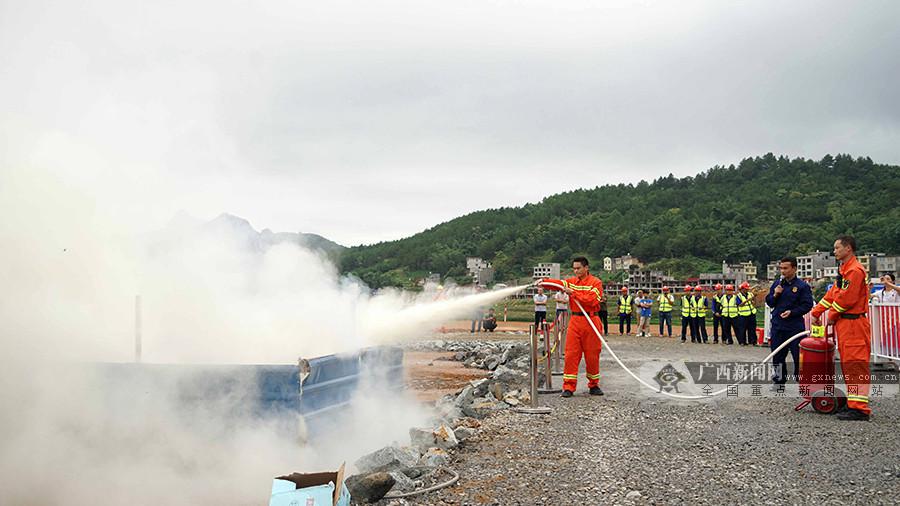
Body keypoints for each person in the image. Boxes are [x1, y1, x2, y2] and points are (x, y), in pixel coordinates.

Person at [811, 235, 873, 420]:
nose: (834, 251)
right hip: (846, 324)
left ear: (848, 249)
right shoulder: (844, 270)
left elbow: (848, 299)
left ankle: (860, 409)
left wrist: (831, 315)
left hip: (854, 323)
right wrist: (816, 312)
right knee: (848, 364)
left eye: (837, 248)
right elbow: (833, 295)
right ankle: (854, 403)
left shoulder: (855, 270)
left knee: (856, 365)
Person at [540, 257, 605, 398]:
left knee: (592, 354)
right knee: (571, 354)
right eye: (574, 268)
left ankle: (594, 385)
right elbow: (558, 284)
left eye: (578, 268)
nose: (575, 271)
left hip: (591, 320)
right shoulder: (571, 282)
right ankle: (568, 386)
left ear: (586, 268)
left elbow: (592, 300)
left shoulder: (596, 283)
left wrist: (573, 293)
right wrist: (544, 282)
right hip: (575, 320)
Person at [765, 256, 814, 388]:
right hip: (778, 326)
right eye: (781, 268)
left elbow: (807, 305)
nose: (783, 271)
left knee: (799, 356)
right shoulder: (777, 284)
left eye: (786, 268)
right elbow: (769, 302)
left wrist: (792, 312)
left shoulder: (802, 286)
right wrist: (775, 294)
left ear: (794, 268)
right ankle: (779, 381)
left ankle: (802, 381)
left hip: (794, 327)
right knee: (777, 355)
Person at [737, 282, 757, 346]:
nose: (746, 290)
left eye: (747, 289)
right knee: (742, 329)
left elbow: (754, 303)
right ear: (742, 289)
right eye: (745, 289)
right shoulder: (738, 296)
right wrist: (747, 300)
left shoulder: (750, 294)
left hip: (751, 313)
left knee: (752, 329)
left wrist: (754, 298)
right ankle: (743, 342)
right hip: (743, 315)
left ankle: (753, 341)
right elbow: (740, 305)